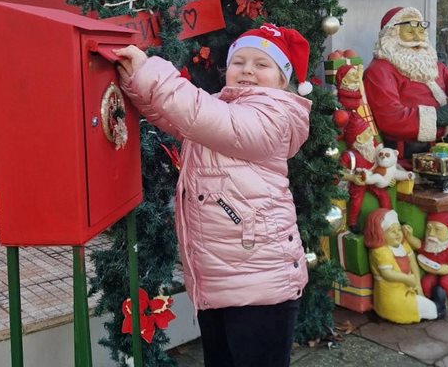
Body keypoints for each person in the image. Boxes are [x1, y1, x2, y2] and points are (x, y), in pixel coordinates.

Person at [114, 23, 312, 367]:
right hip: (221, 276)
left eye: (262, 65)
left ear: (283, 81)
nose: (247, 70)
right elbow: (175, 116)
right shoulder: (222, 109)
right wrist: (135, 83)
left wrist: (151, 71)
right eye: (239, 62)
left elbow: (201, 115)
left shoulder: (275, 115)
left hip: (261, 284)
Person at [363, 7, 448, 168]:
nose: (417, 38)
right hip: (409, 160)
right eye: (409, 32)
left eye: (421, 31)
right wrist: (437, 117)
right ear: (391, 37)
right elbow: (390, 118)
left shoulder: (433, 66)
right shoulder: (379, 71)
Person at [363, 208, 440, 323]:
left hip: (408, 289)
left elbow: (412, 262)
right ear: (380, 234)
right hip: (391, 295)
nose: (398, 234)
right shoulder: (380, 251)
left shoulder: (402, 244)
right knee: (431, 310)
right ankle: (436, 308)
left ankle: (435, 306)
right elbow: (387, 274)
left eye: (399, 229)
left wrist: (418, 286)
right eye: (392, 231)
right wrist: (407, 279)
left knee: (429, 307)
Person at [339, 114, 391, 233]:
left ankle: (389, 217)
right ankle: (352, 222)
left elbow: (384, 160)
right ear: (359, 139)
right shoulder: (349, 155)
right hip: (359, 180)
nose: (372, 135)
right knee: (356, 200)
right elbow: (338, 171)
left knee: (383, 195)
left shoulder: (373, 148)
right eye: (368, 132)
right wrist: (352, 177)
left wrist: (387, 176)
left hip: (373, 177)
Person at [404, 212, 448, 314]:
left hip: (446, 273)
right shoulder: (428, 246)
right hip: (432, 273)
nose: (431, 233)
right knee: (426, 283)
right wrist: (409, 236)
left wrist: (437, 269)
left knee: (445, 282)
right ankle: (430, 303)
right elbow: (417, 244)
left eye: (437, 230)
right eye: (429, 228)